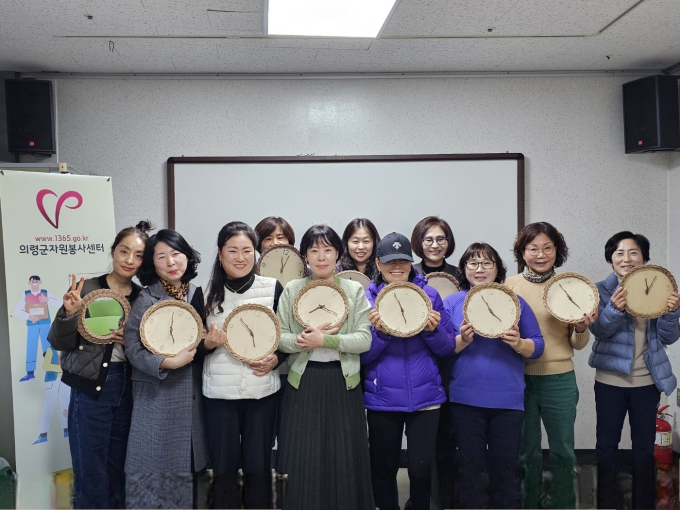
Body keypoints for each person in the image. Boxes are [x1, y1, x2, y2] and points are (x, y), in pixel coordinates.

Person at [47, 221, 151, 509]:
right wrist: (69, 313)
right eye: (124, 251)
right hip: (91, 388)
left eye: (139, 255)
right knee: (89, 468)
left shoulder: (143, 297)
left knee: (119, 468)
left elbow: (147, 352)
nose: (130, 260)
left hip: (128, 389)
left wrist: (130, 342)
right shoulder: (86, 288)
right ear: (113, 251)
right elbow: (58, 341)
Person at [276, 224, 374, 509]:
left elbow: (364, 339)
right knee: (301, 455)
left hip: (343, 383)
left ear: (337, 253)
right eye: (314, 250)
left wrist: (325, 341)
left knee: (343, 455)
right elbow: (279, 338)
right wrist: (303, 342)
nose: (321, 257)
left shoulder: (353, 290)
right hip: (303, 382)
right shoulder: (293, 289)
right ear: (305, 255)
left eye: (328, 250)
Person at [443, 242, 544, 509]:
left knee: (506, 470)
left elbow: (538, 346)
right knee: (470, 470)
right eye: (473, 263)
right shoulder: (452, 302)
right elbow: (441, 348)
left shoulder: (515, 302)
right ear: (464, 269)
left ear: (498, 269)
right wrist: (462, 340)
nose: (480, 269)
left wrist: (518, 343)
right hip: (465, 400)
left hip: (508, 402)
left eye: (487, 263)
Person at [505, 222, 596, 509]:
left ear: (558, 250)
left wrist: (581, 328)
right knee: (526, 451)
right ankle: (530, 503)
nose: (540, 254)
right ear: (522, 252)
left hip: (559, 378)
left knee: (562, 450)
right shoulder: (509, 287)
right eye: (533, 248)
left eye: (547, 247)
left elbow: (578, 344)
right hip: (519, 379)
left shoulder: (570, 286)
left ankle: (563, 503)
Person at [361, 232, 455, 510]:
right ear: (378, 264)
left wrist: (431, 330)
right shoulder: (366, 300)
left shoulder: (429, 295)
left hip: (426, 398)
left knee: (420, 470)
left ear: (411, 263)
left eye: (403, 260)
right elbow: (361, 357)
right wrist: (381, 333)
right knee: (383, 468)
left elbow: (448, 347)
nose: (397, 266)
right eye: (390, 261)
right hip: (382, 398)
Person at [589, 231, 680, 510]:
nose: (626, 258)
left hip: (646, 383)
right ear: (611, 259)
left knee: (643, 450)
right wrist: (614, 309)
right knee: (606, 448)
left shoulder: (660, 287)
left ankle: (644, 504)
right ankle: (608, 504)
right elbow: (599, 330)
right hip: (610, 382)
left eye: (633, 252)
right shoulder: (600, 291)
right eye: (619, 253)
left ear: (644, 258)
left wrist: (672, 313)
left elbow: (668, 337)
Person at [124, 229, 211, 509]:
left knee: (190, 469)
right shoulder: (147, 298)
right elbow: (132, 348)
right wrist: (165, 363)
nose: (171, 262)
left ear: (187, 256)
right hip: (157, 397)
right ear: (153, 263)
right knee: (154, 472)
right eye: (161, 257)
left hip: (193, 396)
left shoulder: (199, 294)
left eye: (176, 254)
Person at [201, 221, 284, 508]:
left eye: (247, 250)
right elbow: (194, 347)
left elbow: (286, 336)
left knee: (258, 468)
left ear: (256, 253)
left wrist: (277, 358)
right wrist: (208, 344)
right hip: (219, 396)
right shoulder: (204, 292)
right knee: (223, 470)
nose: (240, 257)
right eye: (232, 250)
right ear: (220, 254)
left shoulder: (272, 288)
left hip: (262, 393)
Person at [14, 275, 61, 381]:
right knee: (31, 346)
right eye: (33, 281)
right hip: (32, 324)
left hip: (45, 323)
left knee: (48, 346)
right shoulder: (25, 294)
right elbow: (17, 311)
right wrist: (28, 316)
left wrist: (47, 300)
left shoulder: (45, 293)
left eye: (36, 281)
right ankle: (30, 372)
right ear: (29, 282)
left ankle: (51, 372)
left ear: (40, 282)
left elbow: (60, 303)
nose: (35, 282)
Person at [411, 216, 461, 281]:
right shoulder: (410, 274)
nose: (435, 245)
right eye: (429, 240)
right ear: (418, 242)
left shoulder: (460, 275)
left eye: (440, 239)